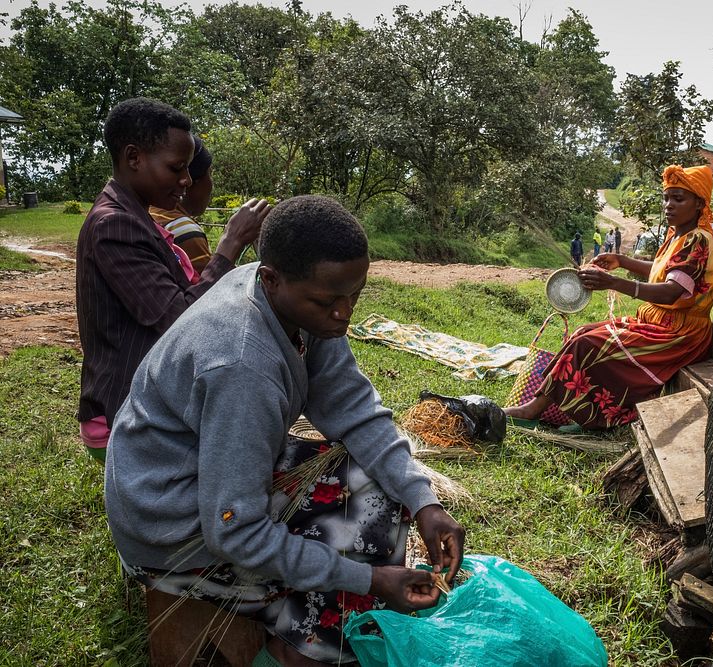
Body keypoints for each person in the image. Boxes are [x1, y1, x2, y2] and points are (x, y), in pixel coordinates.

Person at [104, 195, 465, 666]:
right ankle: (295, 654)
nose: (344, 314)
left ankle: (318, 628)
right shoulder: (241, 365)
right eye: (329, 300)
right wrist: (370, 581)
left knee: (379, 498)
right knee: (355, 566)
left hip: (207, 479)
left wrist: (425, 502)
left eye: (353, 295)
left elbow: (355, 409)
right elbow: (234, 534)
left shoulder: (291, 302)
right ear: (272, 279)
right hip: (170, 529)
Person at [76, 97, 271, 462]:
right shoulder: (115, 225)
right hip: (127, 413)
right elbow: (177, 319)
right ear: (133, 158)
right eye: (176, 168)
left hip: (144, 400)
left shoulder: (136, 216)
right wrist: (229, 246)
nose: (186, 180)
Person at [505, 164, 713, 430]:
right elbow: (662, 270)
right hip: (659, 322)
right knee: (583, 334)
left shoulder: (697, 240)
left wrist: (613, 282)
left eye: (678, 199)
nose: (669, 205)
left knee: (591, 345)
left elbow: (672, 291)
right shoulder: (678, 235)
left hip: (678, 333)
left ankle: (535, 410)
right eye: (666, 197)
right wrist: (621, 260)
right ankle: (579, 414)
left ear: (699, 203)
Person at [148, 135, 214, 274]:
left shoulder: (149, 212)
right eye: (210, 175)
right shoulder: (185, 230)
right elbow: (210, 292)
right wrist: (233, 242)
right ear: (190, 182)